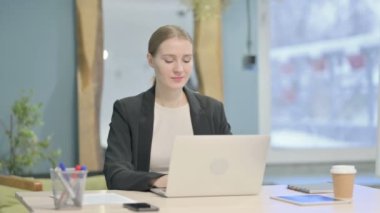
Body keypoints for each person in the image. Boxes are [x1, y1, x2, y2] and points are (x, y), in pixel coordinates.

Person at [103, 25, 232, 191]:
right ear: (151, 60)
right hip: (150, 202)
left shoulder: (213, 109)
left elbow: (229, 165)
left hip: (202, 199)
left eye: (186, 60)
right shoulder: (127, 110)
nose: (179, 69)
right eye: (169, 60)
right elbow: (115, 175)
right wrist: (162, 181)